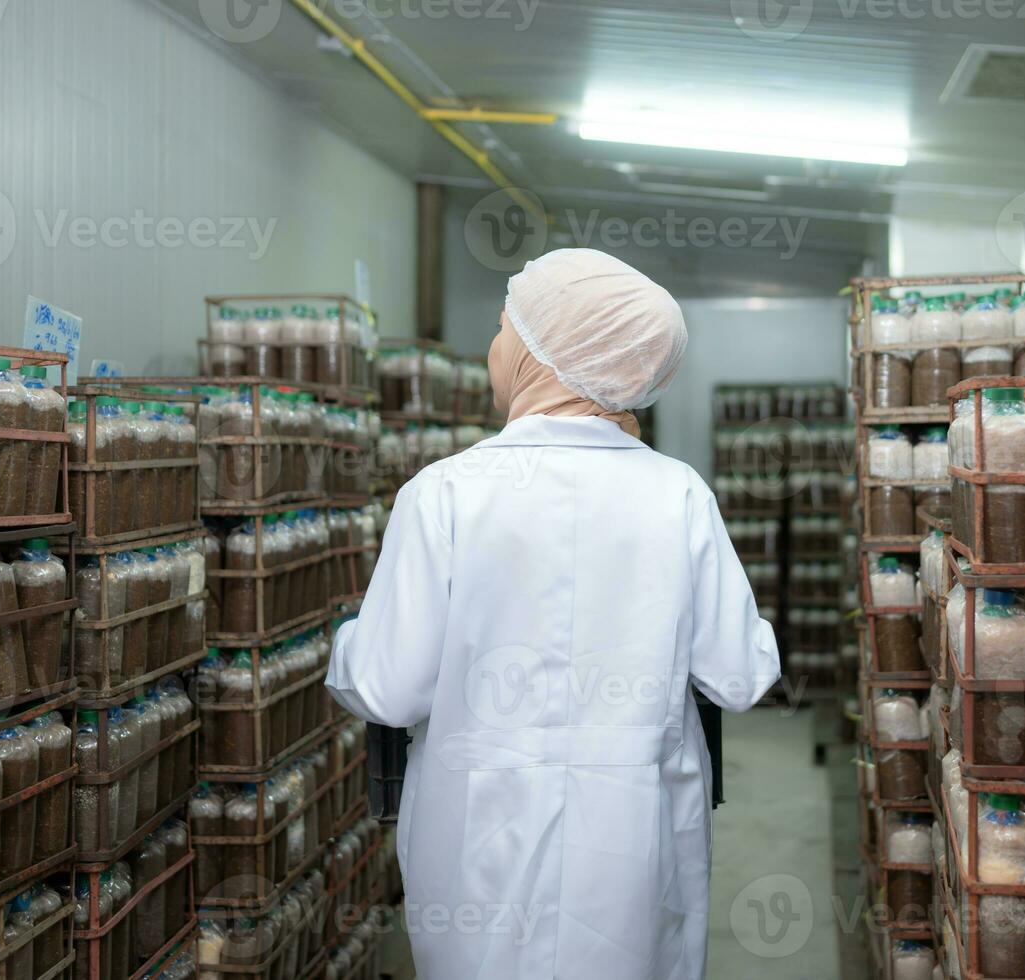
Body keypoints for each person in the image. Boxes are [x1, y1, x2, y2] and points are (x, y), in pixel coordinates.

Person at [326, 248, 781, 979]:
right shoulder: (677, 494)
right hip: (634, 836)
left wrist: (351, 643)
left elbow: (388, 688)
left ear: (548, 354)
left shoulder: (446, 493)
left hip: (480, 841)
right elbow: (737, 673)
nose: (493, 348)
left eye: (508, 328)